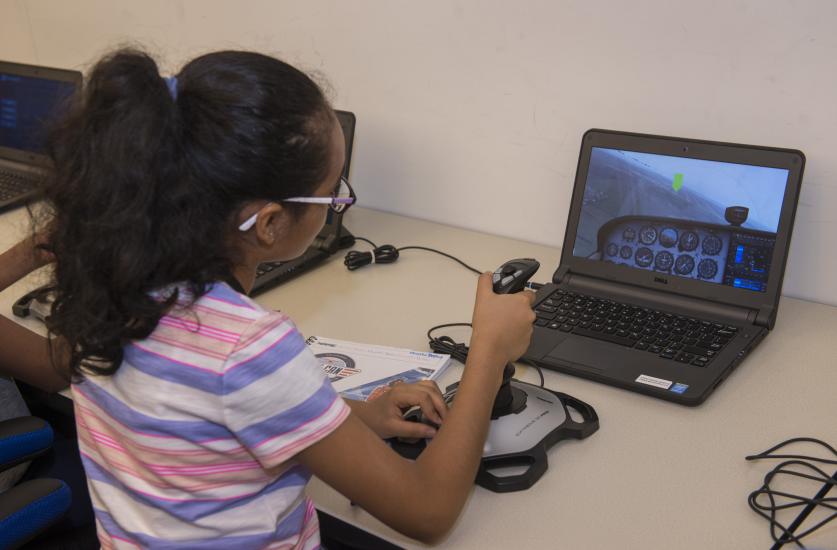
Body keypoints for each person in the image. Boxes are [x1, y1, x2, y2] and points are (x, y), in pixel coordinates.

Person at [18, 48, 534, 547]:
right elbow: (427, 513)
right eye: (334, 192)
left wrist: (350, 416)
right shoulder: (248, 347)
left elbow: (201, 413)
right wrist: (489, 351)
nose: (339, 204)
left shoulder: (105, 284)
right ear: (268, 224)